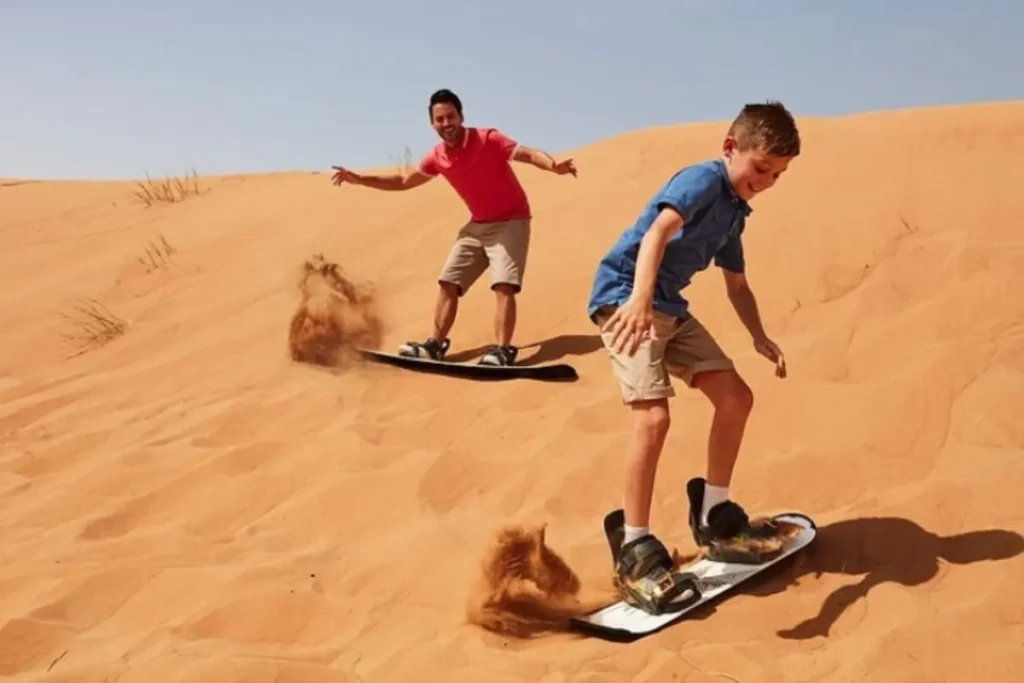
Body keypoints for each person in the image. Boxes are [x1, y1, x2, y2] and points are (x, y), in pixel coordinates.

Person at [585, 101, 801, 615]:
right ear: (731, 148)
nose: (766, 182)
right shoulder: (703, 180)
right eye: (761, 168)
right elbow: (657, 232)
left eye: (777, 175)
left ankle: (714, 515)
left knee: (736, 398)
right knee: (653, 419)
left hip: (667, 309)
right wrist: (639, 299)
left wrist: (759, 336)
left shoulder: (734, 214)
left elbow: (737, 285)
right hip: (624, 300)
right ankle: (634, 548)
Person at [331, 88, 577, 367]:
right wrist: (361, 179)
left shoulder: (488, 139)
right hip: (477, 225)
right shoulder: (437, 156)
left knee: (503, 284)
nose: (446, 124)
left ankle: (503, 350)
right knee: (448, 282)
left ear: (461, 117)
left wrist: (553, 165)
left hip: (511, 221)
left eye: (451, 117)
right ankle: (435, 345)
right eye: (440, 119)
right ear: (432, 124)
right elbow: (404, 181)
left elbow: (528, 154)